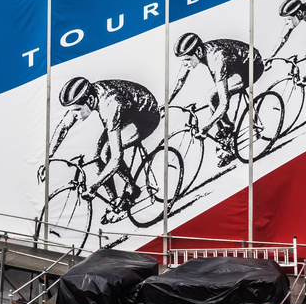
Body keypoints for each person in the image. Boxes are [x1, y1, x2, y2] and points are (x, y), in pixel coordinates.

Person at [50, 78, 162, 222]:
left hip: (146, 116)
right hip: (128, 110)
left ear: (90, 100)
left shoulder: (109, 105)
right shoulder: (90, 95)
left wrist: (94, 186)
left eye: (77, 110)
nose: (75, 116)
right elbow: (64, 127)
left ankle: (131, 188)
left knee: (108, 152)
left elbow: (116, 158)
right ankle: (115, 199)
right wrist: (47, 158)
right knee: (97, 154)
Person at [169, 32, 265, 167]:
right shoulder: (197, 53)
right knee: (212, 99)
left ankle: (227, 129)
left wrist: (206, 128)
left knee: (213, 97)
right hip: (236, 62)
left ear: (198, 51)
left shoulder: (216, 60)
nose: (185, 65)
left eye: (187, 61)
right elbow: (180, 80)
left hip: (253, 67)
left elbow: (224, 104)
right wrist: (166, 104)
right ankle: (226, 131)